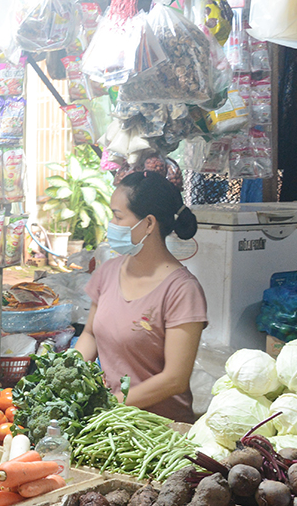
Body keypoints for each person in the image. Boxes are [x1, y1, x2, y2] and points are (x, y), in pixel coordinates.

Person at [75, 171, 207, 423]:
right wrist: (66, 374)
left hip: (160, 429)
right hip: (109, 422)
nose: (110, 224)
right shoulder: (108, 272)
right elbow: (90, 333)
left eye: (118, 216)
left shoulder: (182, 290)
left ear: (148, 223)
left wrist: (109, 405)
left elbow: (175, 379)